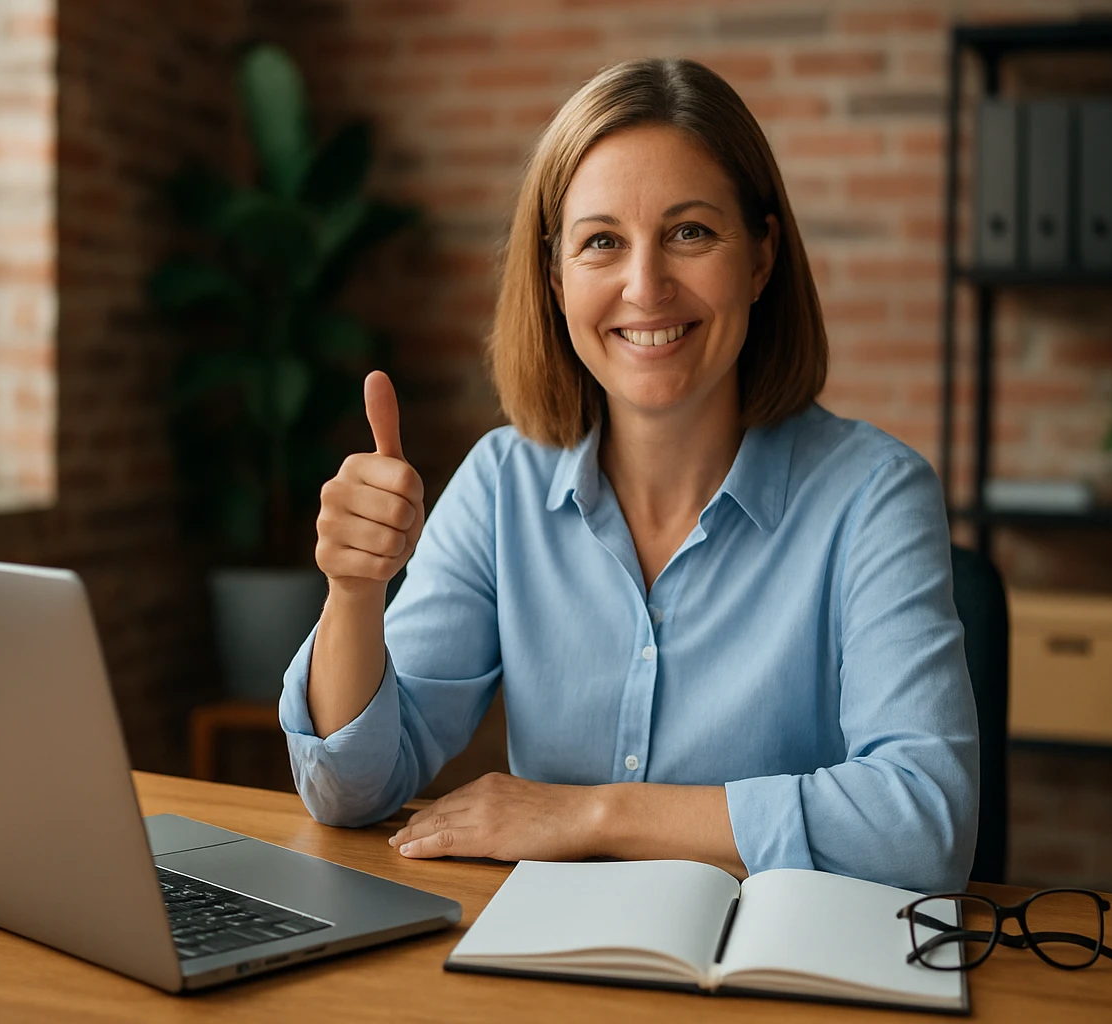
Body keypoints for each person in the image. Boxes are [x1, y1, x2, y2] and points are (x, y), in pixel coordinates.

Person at [280, 57, 979, 893]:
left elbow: (922, 827)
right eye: (602, 242)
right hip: (546, 955)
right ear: (555, 278)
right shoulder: (501, 484)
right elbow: (349, 790)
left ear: (761, 258)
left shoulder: (875, 496)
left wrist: (593, 816)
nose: (645, 288)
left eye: (690, 233)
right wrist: (353, 592)